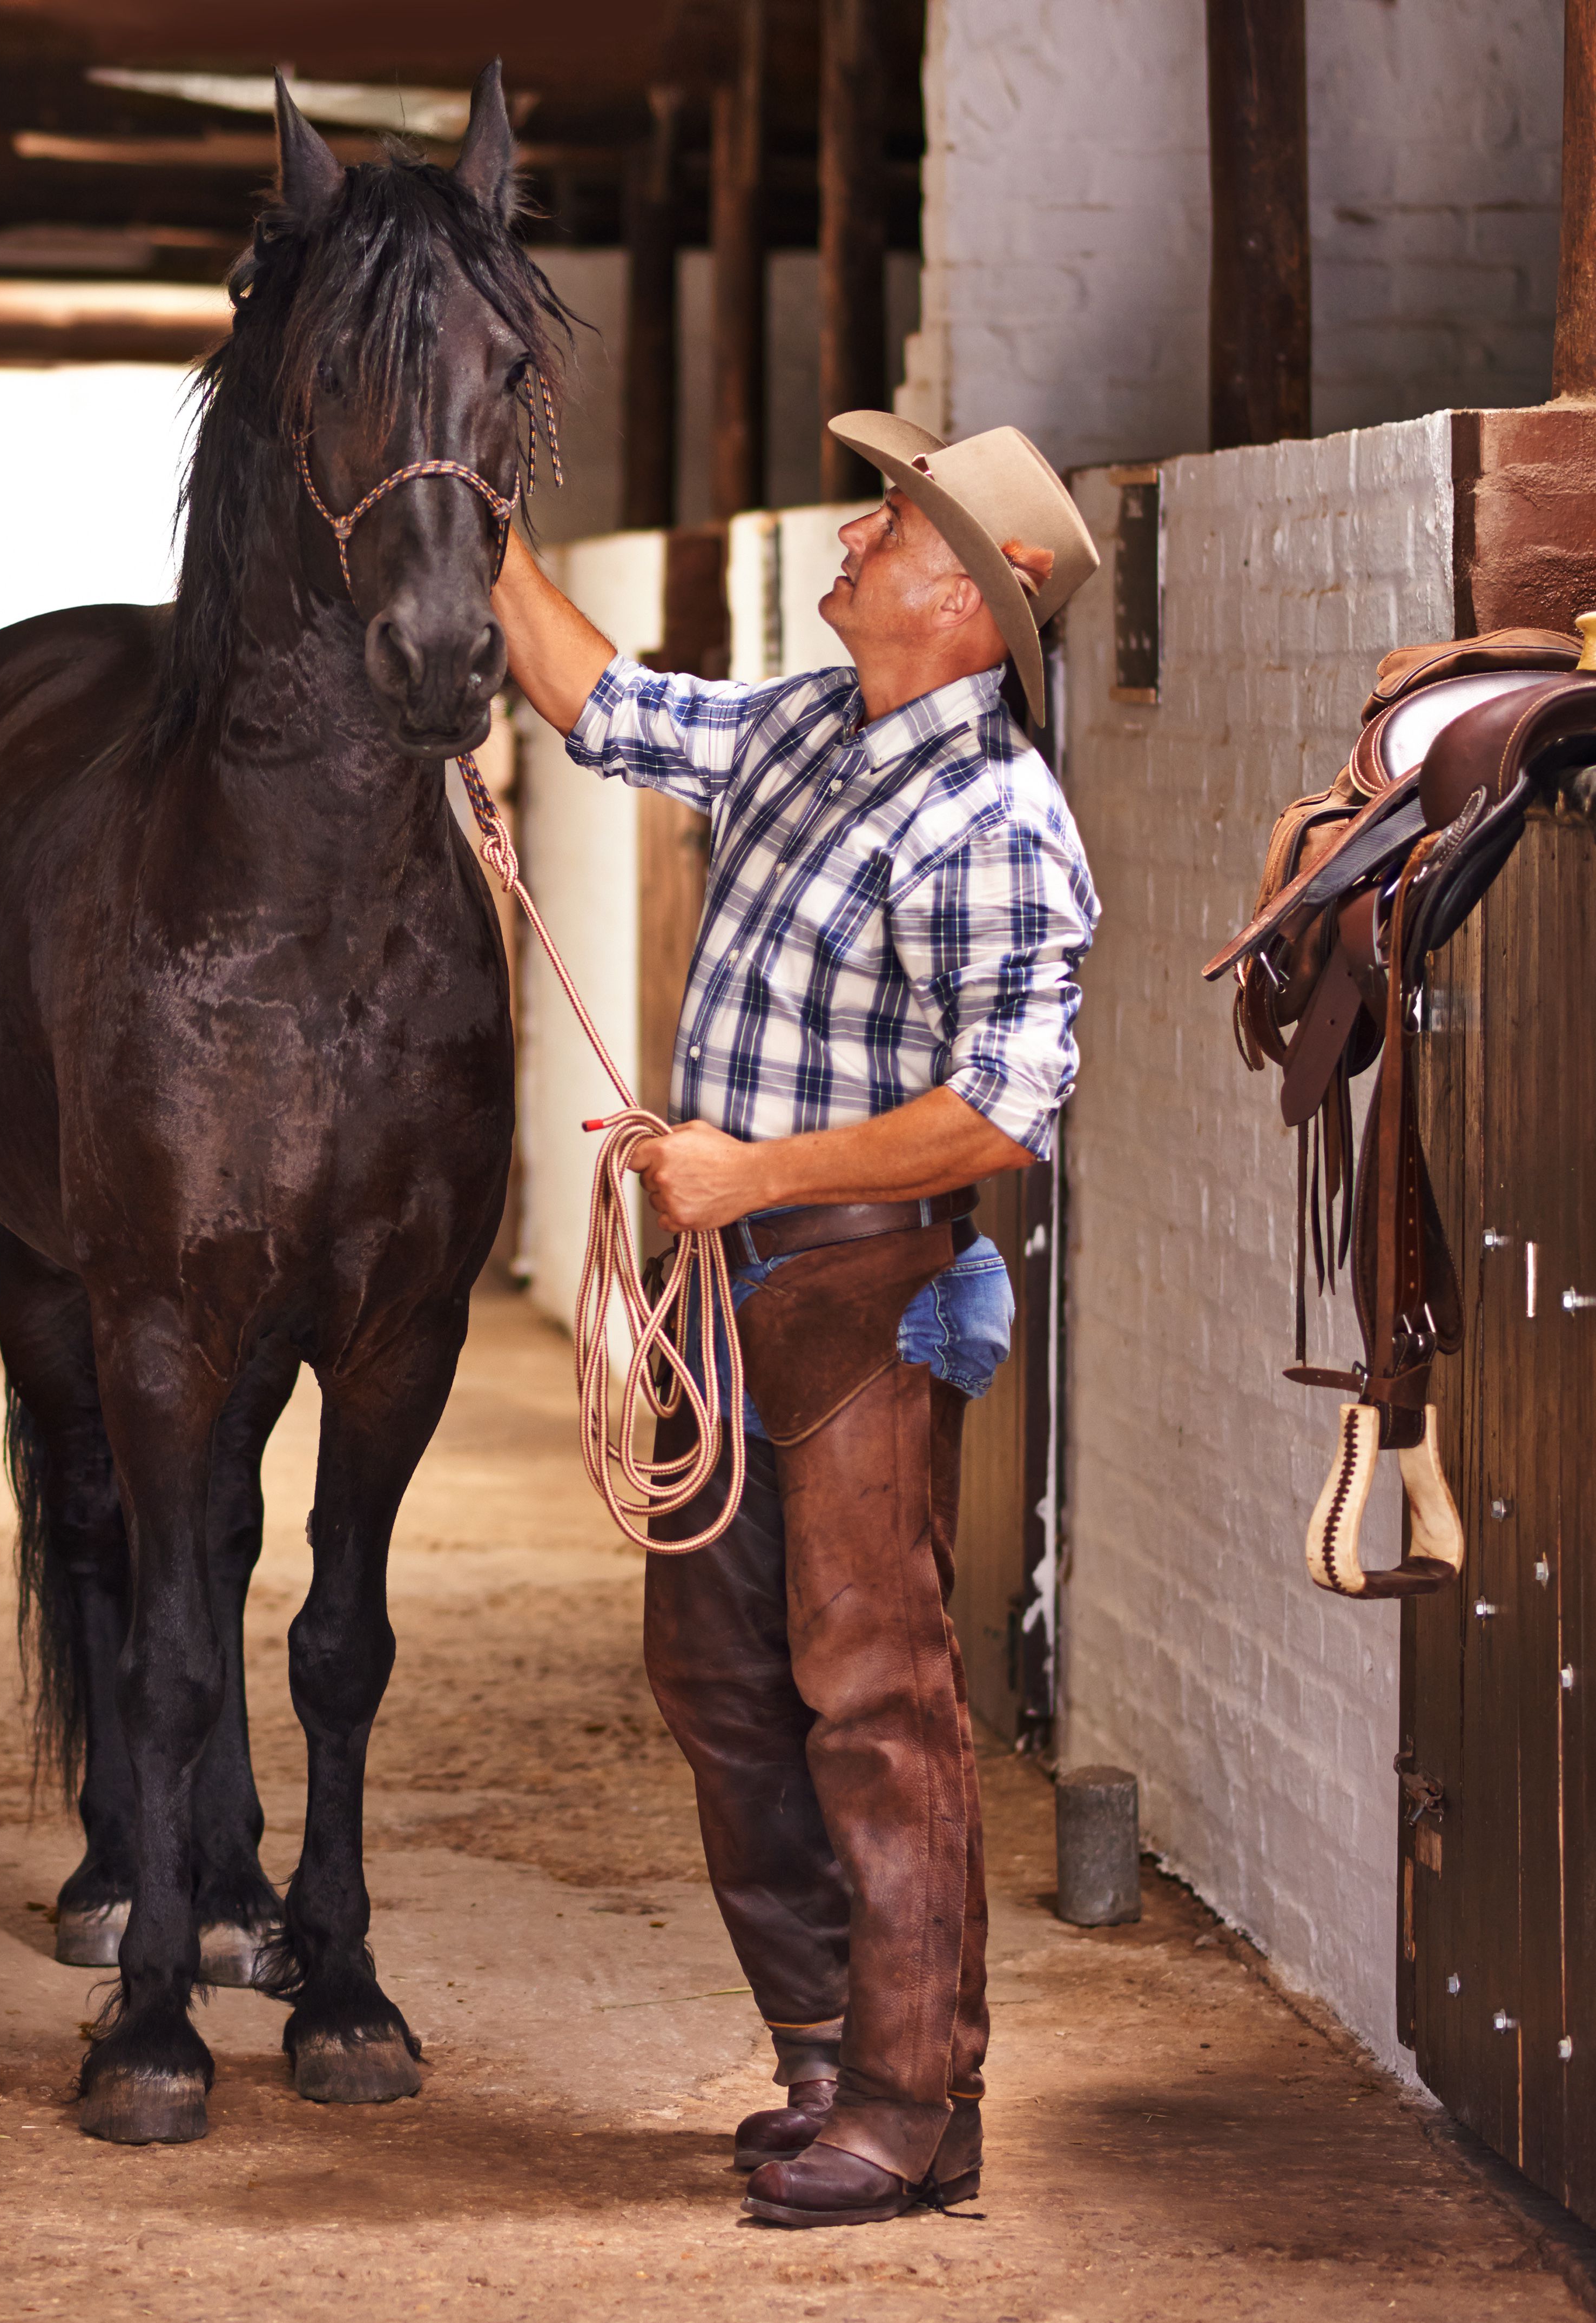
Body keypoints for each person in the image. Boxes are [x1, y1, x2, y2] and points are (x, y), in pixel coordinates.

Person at [490, 414, 1101, 2227]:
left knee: (877, 1693)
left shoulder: (997, 822)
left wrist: (751, 1179)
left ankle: (920, 2105)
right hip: (731, 1285)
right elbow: (600, 705)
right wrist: (478, 514)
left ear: (972, 616)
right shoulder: (797, 730)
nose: (855, 531)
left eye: (897, 524)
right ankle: (827, 2053)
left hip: (859, 1285)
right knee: (720, 1675)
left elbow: (1003, 1112)